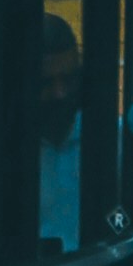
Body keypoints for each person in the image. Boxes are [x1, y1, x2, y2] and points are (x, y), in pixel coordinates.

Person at [35, 16, 85, 251]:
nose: (60, 94)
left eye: (68, 79)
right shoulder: (6, 154)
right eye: (46, 83)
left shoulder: (110, 144)